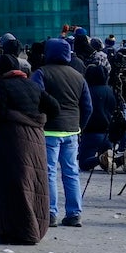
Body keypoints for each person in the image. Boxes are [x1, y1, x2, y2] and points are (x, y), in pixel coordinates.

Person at [0, 58, 55, 244]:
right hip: (36, 137)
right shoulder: (33, 86)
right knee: (32, 182)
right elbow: (54, 107)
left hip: (12, 138)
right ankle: (33, 228)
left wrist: (7, 118)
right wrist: (39, 119)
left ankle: (20, 229)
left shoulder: (1, 86)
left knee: (13, 184)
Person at [34, 38, 92, 227]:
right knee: (71, 172)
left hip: (49, 130)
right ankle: (74, 213)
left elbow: (36, 99)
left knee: (49, 172)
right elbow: (88, 106)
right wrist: (80, 125)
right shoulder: (78, 76)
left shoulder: (42, 73)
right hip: (71, 130)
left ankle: (51, 212)